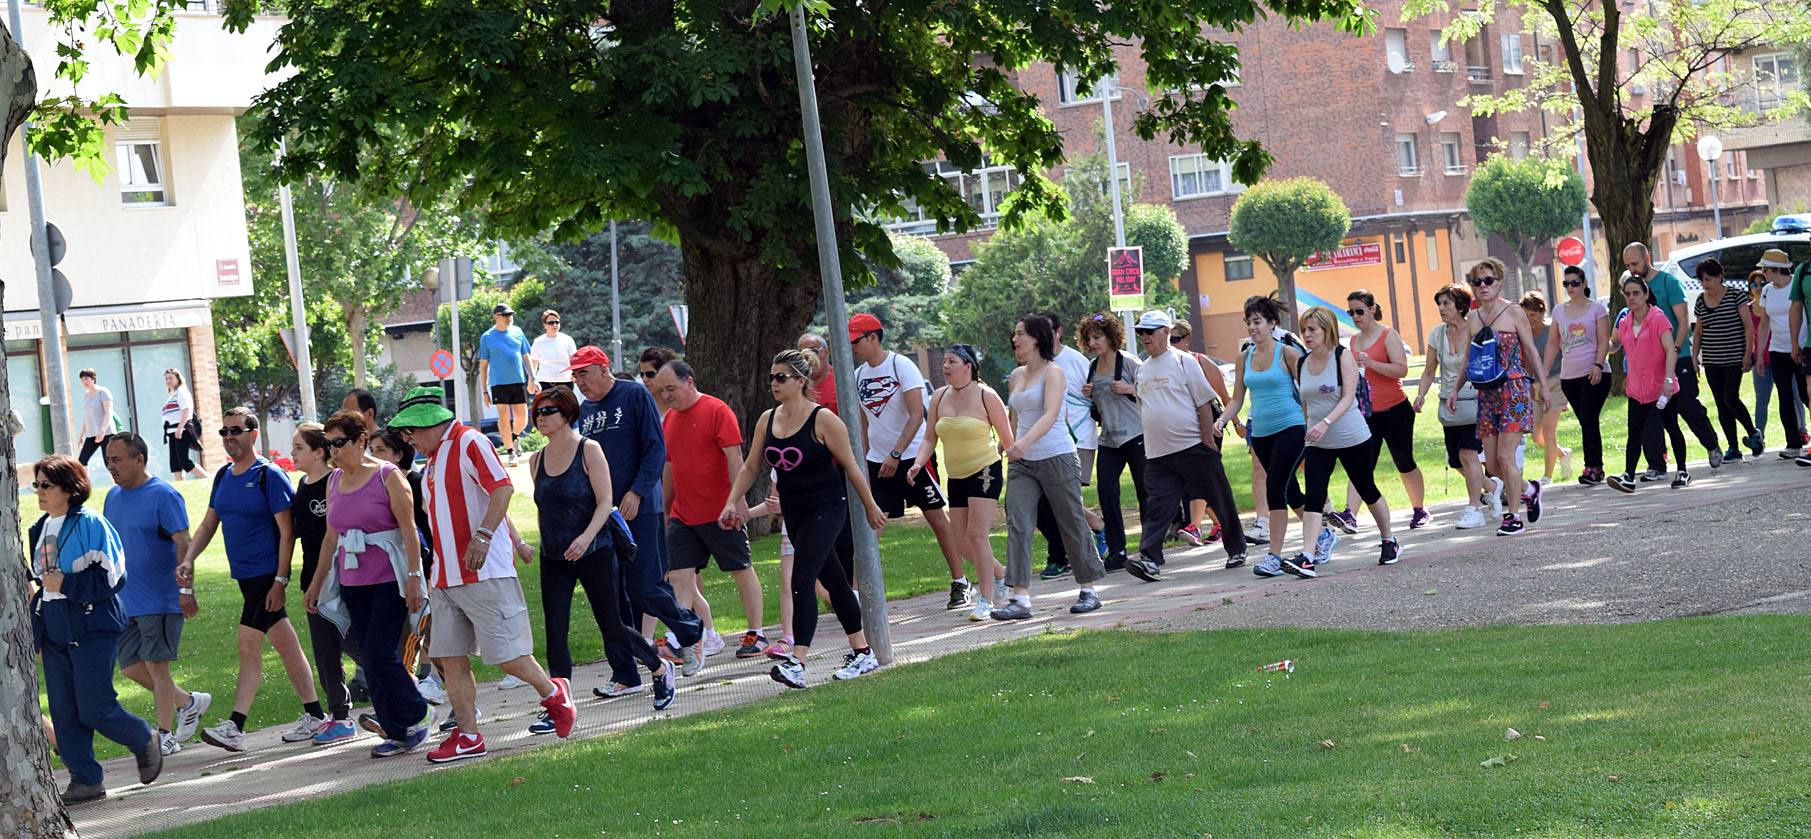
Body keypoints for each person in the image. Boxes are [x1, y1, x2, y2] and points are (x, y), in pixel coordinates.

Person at [387, 386, 577, 762]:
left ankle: (554, 693)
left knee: (507, 657)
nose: (409, 439)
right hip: (445, 577)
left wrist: (484, 537)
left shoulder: (470, 441)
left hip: (485, 573)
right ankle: (469, 735)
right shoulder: (434, 459)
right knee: (450, 657)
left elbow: (502, 489)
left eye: (411, 430)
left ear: (430, 424)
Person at [724, 350, 887, 687]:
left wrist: (870, 505)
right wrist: (732, 501)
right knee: (836, 583)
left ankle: (798, 661)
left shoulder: (823, 420)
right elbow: (752, 465)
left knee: (801, 579)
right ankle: (862, 652)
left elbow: (852, 465)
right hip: (794, 512)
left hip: (826, 508)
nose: (774, 383)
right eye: (772, 377)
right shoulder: (768, 419)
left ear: (801, 381)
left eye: (781, 377)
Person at [178, 408, 325, 751]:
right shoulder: (223, 477)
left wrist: (280, 580)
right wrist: (188, 558)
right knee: (287, 646)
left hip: (265, 576)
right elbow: (208, 524)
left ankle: (235, 726)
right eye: (224, 431)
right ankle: (316, 714)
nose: (230, 437)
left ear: (253, 433)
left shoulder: (268, 476)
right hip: (244, 577)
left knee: (248, 647)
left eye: (236, 430)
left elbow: (288, 532)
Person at [527, 387, 677, 720]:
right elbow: (544, 509)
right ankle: (559, 704)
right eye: (537, 411)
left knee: (612, 626)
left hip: (594, 549)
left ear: (566, 414)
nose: (540, 418)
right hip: (554, 556)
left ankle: (659, 667)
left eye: (548, 411)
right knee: (555, 629)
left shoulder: (588, 449)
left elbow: (605, 503)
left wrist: (585, 538)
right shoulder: (535, 460)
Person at [570, 346, 706, 692]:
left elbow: (655, 448)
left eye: (584, 373)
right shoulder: (585, 411)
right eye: (575, 376)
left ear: (604, 369)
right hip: (604, 516)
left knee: (643, 587)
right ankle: (625, 674)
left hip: (641, 509)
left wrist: (638, 492)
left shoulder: (633, 395)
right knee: (611, 598)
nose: (579, 382)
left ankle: (689, 627)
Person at [29, 454, 164, 804]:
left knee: (94, 706)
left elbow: (114, 577)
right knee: (64, 710)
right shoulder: (39, 528)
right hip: (55, 629)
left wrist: (68, 583)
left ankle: (143, 738)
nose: (40, 492)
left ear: (70, 489)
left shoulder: (92, 524)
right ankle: (85, 779)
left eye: (47, 485)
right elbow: (41, 585)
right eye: (36, 485)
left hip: (92, 626)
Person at [300, 412, 434, 757]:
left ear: (361, 440)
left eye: (339, 443)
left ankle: (418, 711)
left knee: (378, 652)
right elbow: (331, 537)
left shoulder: (388, 476)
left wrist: (415, 578)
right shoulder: (334, 481)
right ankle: (396, 730)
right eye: (328, 444)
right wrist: (316, 584)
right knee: (371, 659)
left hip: (389, 578)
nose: (333, 450)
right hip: (352, 580)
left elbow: (409, 532)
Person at [849, 314, 974, 609]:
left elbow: (917, 415)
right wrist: (868, 459)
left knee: (936, 518)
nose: (852, 347)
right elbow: (864, 422)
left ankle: (960, 581)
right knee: (873, 524)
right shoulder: (857, 375)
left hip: (912, 458)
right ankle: (855, 592)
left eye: (855, 340)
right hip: (878, 462)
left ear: (873, 338)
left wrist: (896, 454)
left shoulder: (900, 365)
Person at [102, 434, 211, 756]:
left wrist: (185, 590)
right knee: (131, 666)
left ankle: (165, 734)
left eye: (117, 459)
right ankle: (188, 702)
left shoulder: (164, 495)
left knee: (156, 666)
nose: (111, 466)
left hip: (160, 599)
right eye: (108, 460)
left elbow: (183, 543)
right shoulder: (112, 497)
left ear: (139, 459)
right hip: (124, 600)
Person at [651, 360, 769, 658]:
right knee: (679, 574)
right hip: (684, 513)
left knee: (740, 569)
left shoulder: (717, 411)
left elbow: (735, 458)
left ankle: (756, 634)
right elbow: (670, 467)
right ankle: (683, 637)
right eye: (662, 390)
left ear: (690, 382)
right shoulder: (668, 421)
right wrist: (665, 507)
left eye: (671, 389)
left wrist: (737, 500)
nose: (666, 396)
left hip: (720, 511)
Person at [991, 316, 1106, 619]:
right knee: (1018, 522)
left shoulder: (1054, 373)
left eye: (1020, 334)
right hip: (1023, 464)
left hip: (1057, 456)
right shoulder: (1016, 376)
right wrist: (1007, 445)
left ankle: (1089, 590)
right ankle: (1020, 599)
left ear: (1037, 338)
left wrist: (1023, 443)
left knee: (1070, 522)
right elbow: (1015, 416)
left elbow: (1051, 414)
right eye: (1014, 334)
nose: (1015, 340)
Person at [1131, 310, 1247, 580]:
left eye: (1150, 331)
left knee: (1219, 498)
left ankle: (1237, 548)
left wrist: (1207, 441)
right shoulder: (1142, 370)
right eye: (1141, 332)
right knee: (1158, 507)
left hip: (1193, 447)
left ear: (1165, 331)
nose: (1145, 337)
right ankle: (1149, 559)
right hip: (1158, 455)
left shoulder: (1183, 362)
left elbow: (1203, 403)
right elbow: (1143, 407)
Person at [911, 344, 1013, 620]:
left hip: (984, 470)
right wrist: (919, 463)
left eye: (952, 361)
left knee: (977, 535)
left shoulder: (986, 395)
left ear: (968, 366)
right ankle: (1002, 575)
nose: (945, 366)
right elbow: (930, 437)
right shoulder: (938, 397)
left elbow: (1007, 439)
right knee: (959, 541)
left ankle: (986, 600)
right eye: (944, 361)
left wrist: (1016, 464)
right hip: (955, 475)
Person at [1295, 307, 1402, 566]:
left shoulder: (1342, 356)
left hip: (1352, 436)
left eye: (1312, 330)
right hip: (1319, 441)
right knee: (1314, 496)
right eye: (1304, 330)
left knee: (1366, 488)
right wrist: (1308, 429)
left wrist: (1326, 422)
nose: (1307, 335)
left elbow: (1347, 397)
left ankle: (1389, 540)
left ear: (1326, 330)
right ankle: (1308, 556)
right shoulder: (1302, 362)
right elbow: (1307, 403)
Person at [1218, 296, 1316, 576]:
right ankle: (1322, 535)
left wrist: (1312, 423)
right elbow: (1237, 398)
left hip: (1292, 426)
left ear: (1272, 324)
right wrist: (1224, 419)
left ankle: (1274, 556)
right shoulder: (1243, 357)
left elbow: (1307, 390)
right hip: (1260, 433)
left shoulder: (1287, 353)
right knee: (1291, 491)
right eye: (1248, 322)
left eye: (1257, 321)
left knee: (1274, 488)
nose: (1252, 327)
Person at [1451, 259, 1549, 534]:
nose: (1483, 286)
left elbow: (1531, 351)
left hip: (1514, 390)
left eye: (1488, 280)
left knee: (1506, 457)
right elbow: (1467, 360)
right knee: (1493, 465)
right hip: (1487, 394)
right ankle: (1530, 490)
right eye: (1477, 281)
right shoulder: (1472, 318)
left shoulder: (1514, 312)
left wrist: (1542, 385)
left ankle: (1513, 517)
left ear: (1499, 283)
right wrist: (1455, 390)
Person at [287, 423, 360, 744]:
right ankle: (341, 717)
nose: (293, 453)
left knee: (355, 643)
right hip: (312, 582)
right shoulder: (301, 486)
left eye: (299, 448)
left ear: (320, 452)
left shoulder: (337, 481)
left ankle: (404, 690)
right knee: (325, 651)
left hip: (344, 579)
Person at [1624, 242, 1722, 482]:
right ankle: (1656, 464)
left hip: (1678, 356)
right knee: (1649, 414)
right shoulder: (1632, 289)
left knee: (1686, 405)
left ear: (1647, 257)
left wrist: (1676, 351)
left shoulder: (1669, 282)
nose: (1632, 269)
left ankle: (1711, 443)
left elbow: (1682, 319)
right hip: (1651, 365)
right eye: (1628, 265)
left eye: (1635, 263)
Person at [1032, 313, 1109, 580]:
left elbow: (1095, 392)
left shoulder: (1074, 360)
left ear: (1058, 332)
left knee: (1062, 500)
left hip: (1078, 439)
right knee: (1052, 501)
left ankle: (1075, 558)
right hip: (1048, 442)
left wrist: (1093, 391)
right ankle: (1094, 529)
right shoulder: (1036, 364)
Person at [1345, 290, 1430, 529]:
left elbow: (1402, 370)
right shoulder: (1353, 341)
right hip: (1366, 412)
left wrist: (1372, 364)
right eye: (1350, 312)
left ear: (1372, 309)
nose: (1355, 316)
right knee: (1361, 463)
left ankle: (1419, 509)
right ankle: (1349, 514)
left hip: (1395, 409)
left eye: (1359, 311)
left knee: (1404, 461)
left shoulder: (1388, 335)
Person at [1414, 285, 1490, 528]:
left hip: (1475, 401)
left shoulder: (1475, 329)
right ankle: (1492, 487)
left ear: (1460, 305)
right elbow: (1429, 371)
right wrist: (1421, 395)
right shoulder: (1437, 334)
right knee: (1457, 461)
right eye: (1439, 304)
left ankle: (1474, 508)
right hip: (1450, 405)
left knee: (1469, 454)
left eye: (1446, 303)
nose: (1441, 308)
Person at [1076, 313, 1145, 571]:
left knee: (1144, 493)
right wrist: (1090, 395)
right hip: (1108, 440)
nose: (1093, 343)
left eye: (1098, 337)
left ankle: (1150, 549)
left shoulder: (1129, 362)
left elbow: (1153, 391)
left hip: (1136, 435)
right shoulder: (1093, 368)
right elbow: (1096, 408)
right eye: (1089, 338)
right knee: (1107, 493)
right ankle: (1116, 550)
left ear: (1111, 337)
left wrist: (1130, 389)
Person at [1607, 276, 1679, 493]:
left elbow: (1670, 350)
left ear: (1646, 294)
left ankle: (1681, 469)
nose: (1631, 298)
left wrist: (1668, 379)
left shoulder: (1658, 318)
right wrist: (1601, 344)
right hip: (1637, 387)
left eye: (1636, 293)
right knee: (1635, 432)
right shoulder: (1624, 321)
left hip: (1660, 386)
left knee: (1670, 428)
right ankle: (1628, 475)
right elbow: (1615, 344)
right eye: (1627, 294)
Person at [1544, 266, 1613, 485]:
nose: (1570, 287)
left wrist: (1598, 364)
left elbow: (1604, 340)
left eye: (1575, 283)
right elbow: (1553, 343)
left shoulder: (1597, 309)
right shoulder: (1558, 311)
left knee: (1589, 418)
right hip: (1569, 377)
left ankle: (1594, 467)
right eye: (1566, 284)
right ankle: (1593, 466)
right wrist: (1543, 374)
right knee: (1585, 420)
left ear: (1584, 283)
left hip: (1594, 373)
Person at [1166, 319, 1231, 546]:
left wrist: (1232, 423)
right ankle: (1222, 523)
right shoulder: (1166, 364)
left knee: (1200, 477)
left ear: (1186, 339)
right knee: (1199, 480)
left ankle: (1194, 526)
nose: (1171, 344)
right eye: (1168, 339)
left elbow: (1224, 396)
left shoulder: (1201, 362)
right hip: (1184, 427)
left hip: (1209, 423)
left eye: (1174, 339)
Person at [1691, 258, 1759, 464]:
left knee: (1730, 396)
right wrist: (1695, 358)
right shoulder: (1701, 301)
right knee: (1721, 404)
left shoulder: (1735, 295)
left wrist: (1748, 354)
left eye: (1709, 279)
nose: (1705, 284)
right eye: (1702, 280)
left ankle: (1752, 433)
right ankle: (1734, 447)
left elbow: (1748, 326)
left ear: (1720, 276)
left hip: (1733, 357)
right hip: (1712, 360)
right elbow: (1699, 332)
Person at [1747, 268, 1806, 454]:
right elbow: (1764, 323)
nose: (1765, 274)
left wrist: (1798, 343)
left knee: (1805, 394)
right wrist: (1760, 354)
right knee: (1785, 396)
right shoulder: (1767, 291)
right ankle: (1793, 443)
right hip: (1777, 349)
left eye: (1766, 270)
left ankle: (1803, 431)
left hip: (1800, 345)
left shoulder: (1795, 285)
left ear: (1776, 269)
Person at [477, 303, 538, 466]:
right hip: (498, 383)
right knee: (503, 417)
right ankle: (510, 452)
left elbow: (526, 356)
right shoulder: (487, 337)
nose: (509, 317)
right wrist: (484, 392)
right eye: (505, 315)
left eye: (511, 314)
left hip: (518, 381)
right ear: (496, 317)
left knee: (522, 418)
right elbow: (483, 366)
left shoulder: (518, 332)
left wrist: (533, 378)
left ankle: (514, 437)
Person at [1521, 292, 1573, 483]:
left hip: (1556, 381)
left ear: (1542, 313)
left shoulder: (1552, 329)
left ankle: (1547, 476)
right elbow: (1525, 361)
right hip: (1535, 385)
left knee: (1549, 429)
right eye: (1526, 315)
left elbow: (1565, 353)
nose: (1530, 319)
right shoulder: (1523, 333)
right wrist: (1529, 385)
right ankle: (1562, 454)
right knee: (1536, 436)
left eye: (1533, 314)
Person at [1775, 248, 1811, 466]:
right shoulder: (1803, 270)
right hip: (1810, 344)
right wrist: (1794, 342)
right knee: (1809, 391)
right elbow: (1796, 308)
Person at [160, 370, 205, 480]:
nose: (168, 381)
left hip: (182, 430)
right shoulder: (172, 395)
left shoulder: (182, 392)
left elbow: (186, 410)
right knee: (175, 463)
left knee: (184, 461)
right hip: (172, 432)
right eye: (166, 379)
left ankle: (207, 478)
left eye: (171, 378)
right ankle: (180, 485)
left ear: (178, 379)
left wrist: (180, 428)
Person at [532, 309, 579, 392]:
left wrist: (575, 374)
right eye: (551, 323)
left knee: (566, 405)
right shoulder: (538, 342)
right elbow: (534, 364)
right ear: (545, 325)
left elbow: (574, 359)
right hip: (544, 382)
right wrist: (532, 380)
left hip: (565, 382)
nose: (555, 325)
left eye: (557, 322)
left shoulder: (568, 340)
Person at [77, 368, 115, 467]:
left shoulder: (103, 392)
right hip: (92, 434)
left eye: (86, 378)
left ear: (93, 378)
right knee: (82, 461)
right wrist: (81, 435)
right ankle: (84, 482)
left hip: (106, 433)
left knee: (109, 463)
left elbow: (108, 413)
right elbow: (87, 417)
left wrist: (102, 431)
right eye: (82, 379)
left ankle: (119, 482)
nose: (84, 382)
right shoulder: (86, 395)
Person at [797, 332, 840, 414]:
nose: (810, 358)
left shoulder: (842, 382)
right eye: (804, 354)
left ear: (826, 352)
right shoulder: (796, 385)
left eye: (814, 351)